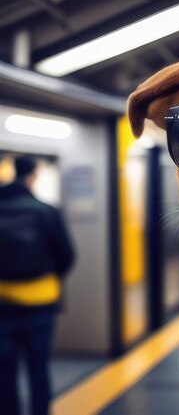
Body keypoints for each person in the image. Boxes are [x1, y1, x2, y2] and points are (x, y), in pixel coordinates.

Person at [0, 156, 75, 415]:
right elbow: (66, 254)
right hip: (40, 301)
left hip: (2, 304)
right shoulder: (45, 211)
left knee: (4, 370)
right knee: (38, 366)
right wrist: (49, 275)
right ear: (32, 175)